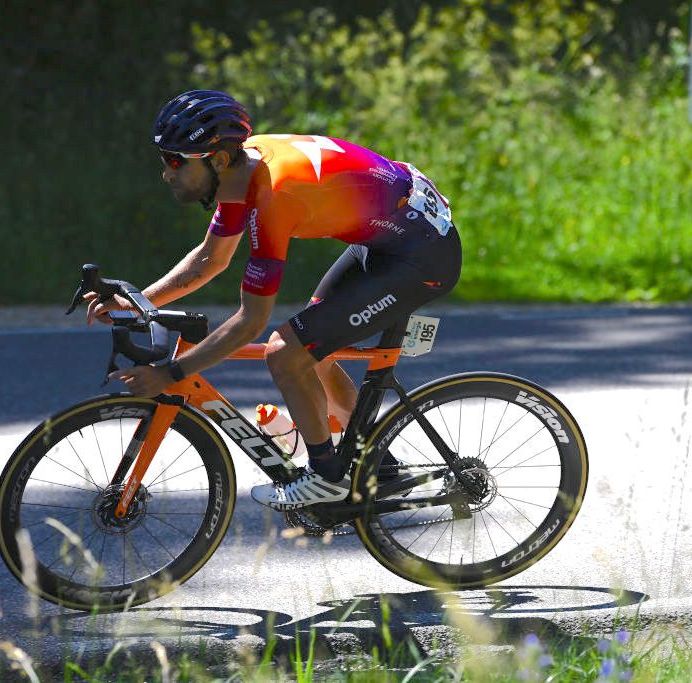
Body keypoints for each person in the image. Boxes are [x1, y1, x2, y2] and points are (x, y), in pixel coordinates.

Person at [85, 90, 462, 510]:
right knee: (313, 349)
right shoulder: (239, 171)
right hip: (389, 235)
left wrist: (173, 372)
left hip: (422, 256)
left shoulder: (273, 195)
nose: (166, 174)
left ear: (218, 159)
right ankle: (381, 465)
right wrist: (138, 299)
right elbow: (210, 259)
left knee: (286, 351)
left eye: (176, 162)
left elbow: (251, 320)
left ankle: (325, 479)